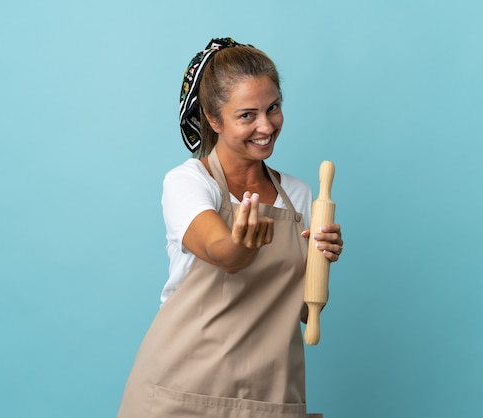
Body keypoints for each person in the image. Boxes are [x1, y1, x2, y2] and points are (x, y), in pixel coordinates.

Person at [117, 37, 343, 418]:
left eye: (273, 108)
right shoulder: (188, 182)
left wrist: (322, 262)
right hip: (181, 392)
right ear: (212, 117)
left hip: (270, 393)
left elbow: (300, 311)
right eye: (247, 115)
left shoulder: (301, 195)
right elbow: (221, 251)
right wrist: (242, 247)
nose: (266, 125)